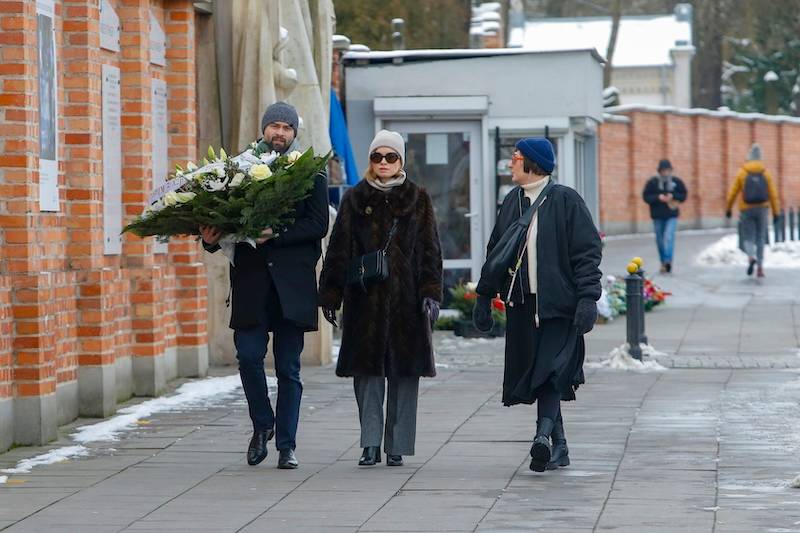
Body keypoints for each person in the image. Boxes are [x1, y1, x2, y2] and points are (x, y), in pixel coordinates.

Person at [200, 101, 329, 469]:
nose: (279, 133)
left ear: (294, 133)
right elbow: (222, 221)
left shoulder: (310, 172)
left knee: (289, 369)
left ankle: (287, 445)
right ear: (263, 129)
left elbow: (318, 225)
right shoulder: (239, 170)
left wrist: (277, 233)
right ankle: (263, 425)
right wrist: (210, 238)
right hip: (253, 285)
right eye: (274, 126)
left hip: (292, 288)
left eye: (286, 128)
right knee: (249, 358)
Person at [473, 138, 602, 472]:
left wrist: (588, 298)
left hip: (558, 305)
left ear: (531, 163)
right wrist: (485, 296)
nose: (510, 164)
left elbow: (587, 252)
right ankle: (558, 445)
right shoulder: (512, 201)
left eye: (515, 158)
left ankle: (542, 437)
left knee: (552, 370)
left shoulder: (565, 200)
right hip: (521, 305)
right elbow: (496, 252)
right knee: (538, 372)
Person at [319, 130, 443, 467]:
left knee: (404, 375)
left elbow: (431, 250)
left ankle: (397, 445)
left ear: (401, 161)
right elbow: (339, 248)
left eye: (391, 157)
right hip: (365, 299)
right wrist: (331, 292)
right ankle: (370, 443)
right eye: (377, 157)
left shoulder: (418, 198)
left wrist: (431, 293)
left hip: (407, 300)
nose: (384, 163)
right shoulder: (356, 198)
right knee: (368, 375)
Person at [725, 143, 780, 278]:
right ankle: (760, 267)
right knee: (761, 237)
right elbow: (773, 193)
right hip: (762, 208)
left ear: (749, 157)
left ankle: (751, 256)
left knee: (748, 237)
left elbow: (733, 192)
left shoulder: (743, 172)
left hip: (746, 209)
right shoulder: (765, 172)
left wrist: (728, 208)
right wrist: (776, 212)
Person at [642, 159, 688, 273]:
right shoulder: (652, 182)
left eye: (667, 170)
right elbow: (646, 197)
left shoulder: (676, 181)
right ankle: (663, 261)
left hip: (671, 215)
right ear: (660, 171)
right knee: (659, 240)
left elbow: (683, 195)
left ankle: (668, 261)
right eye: (663, 170)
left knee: (668, 237)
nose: (665, 173)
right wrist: (658, 197)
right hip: (657, 216)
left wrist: (672, 196)